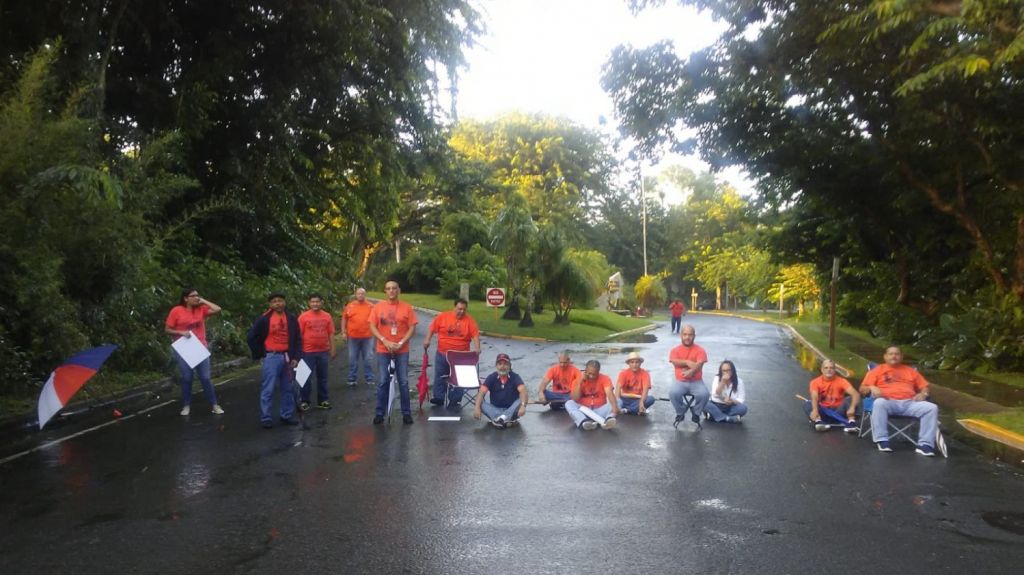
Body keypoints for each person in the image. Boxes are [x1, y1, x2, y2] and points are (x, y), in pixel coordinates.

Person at [859, 346, 939, 456]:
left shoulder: (911, 371)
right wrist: (872, 388)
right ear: (885, 356)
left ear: (901, 357)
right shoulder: (877, 370)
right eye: (891, 354)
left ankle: (925, 445)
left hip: (910, 403)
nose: (894, 356)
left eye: (897, 354)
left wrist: (923, 394)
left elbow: (925, 387)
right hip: (888, 402)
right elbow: (862, 389)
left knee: (931, 408)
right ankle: (882, 440)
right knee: (878, 403)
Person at [164, 288, 225, 416]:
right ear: (186, 298)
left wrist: (202, 300)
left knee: (205, 378)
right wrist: (181, 332)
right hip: (184, 348)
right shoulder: (177, 311)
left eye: (198, 295)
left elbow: (217, 309)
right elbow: (167, 329)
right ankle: (186, 406)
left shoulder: (201, 309)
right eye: (193, 296)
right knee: (187, 378)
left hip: (200, 346)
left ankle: (214, 404)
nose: (196, 297)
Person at [246, 292, 303, 428]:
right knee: (268, 388)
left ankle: (286, 415)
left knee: (287, 388)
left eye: (280, 301)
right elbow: (252, 337)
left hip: (287, 356)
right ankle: (266, 417)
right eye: (274, 301)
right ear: (270, 304)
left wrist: (296, 357)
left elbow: (297, 339)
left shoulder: (291, 318)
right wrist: (261, 353)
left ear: (285, 302)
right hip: (271, 356)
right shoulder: (264, 319)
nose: (278, 303)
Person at [368, 280, 418, 425]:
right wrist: (384, 340)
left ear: (398, 290)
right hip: (383, 349)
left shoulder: (407, 308)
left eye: (394, 288)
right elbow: (372, 326)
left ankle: (406, 413)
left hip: (402, 350)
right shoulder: (378, 308)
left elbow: (412, 328)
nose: (391, 291)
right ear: (385, 291)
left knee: (403, 381)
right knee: (383, 381)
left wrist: (401, 343)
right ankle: (379, 413)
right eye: (388, 288)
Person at [423, 298, 481, 407]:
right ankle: (439, 397)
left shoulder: (469, 321)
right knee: (440, 375)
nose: (461, 312)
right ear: (454, 307)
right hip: (443, 352)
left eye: (464, 309)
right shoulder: (443, 317)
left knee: (459, 377)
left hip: (460, 356)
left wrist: (477, 347)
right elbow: (432, 328)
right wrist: (427, 339)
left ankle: (455, 399)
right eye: (459, 309)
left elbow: (475, 335)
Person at [297, 293, 336, 410]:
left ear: (321, 303)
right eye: (313, 302)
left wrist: (333, 349)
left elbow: (331, 333)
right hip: (306, 352)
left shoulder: (327, 316)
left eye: (317, 301)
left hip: (323, 351)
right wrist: (297, 353)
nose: (315, 304)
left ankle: (323, 400)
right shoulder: (303, 317)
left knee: (322, 377)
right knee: (305, 378)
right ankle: (305, 401)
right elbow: (298, 336)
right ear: (309, 303)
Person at [668, 324, 710, 429]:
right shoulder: (675, 350)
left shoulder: (700, 350)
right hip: (680, 381)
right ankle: (681, 412)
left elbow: (699, 365)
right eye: (685, 334)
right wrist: (687, 362)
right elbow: (674, 362)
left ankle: (696, 413)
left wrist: (691, 372)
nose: (687, 337)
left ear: (694, 336)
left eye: (690, 335)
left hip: (696, 381)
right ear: (681, 335)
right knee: (673, 393)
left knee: (704, 394)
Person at [803, 359, 860, 432]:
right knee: (807, 403)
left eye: (831, 368)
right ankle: (818, 422)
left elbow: (856, 394)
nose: (829, 370)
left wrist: (852, 408)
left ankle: (851, 423)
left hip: (839, 412)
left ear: (835, 370)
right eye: (826, 368)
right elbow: (814, 396)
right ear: (822, 370)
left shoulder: (842, 381)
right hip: (823, 413)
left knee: (850, 399)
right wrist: (815, 410)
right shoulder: (815, 382)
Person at [474, 353, 527, 429]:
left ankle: (499, 419)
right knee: (479, 403)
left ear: (509, 366)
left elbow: (523, 391)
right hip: (495, 409)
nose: (502, 366)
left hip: (511, 409)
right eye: (500, 364)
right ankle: (505, 419)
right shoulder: (491, 377)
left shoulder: (515, 377)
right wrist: (476, 408)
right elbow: (481, 393)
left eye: (505, 364)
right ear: (496, 366)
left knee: (521, 400)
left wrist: (523, 406)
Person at [565, 360, 620, 430]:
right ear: (585, 370)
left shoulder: (605, 378)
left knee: (618, 401)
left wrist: (614, 408)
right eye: (589, 373)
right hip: (584, 412)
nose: (591, 376)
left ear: (598, 372)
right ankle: (583, 421)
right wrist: (580, 382)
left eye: (594, 374)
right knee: (569, 403)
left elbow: (609, 393)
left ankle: (608, 420)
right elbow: (575, 398)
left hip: (599, 411)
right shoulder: (577, 380)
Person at [341, 288, 375, 386]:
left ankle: (369, 378)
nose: (360, 295)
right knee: (352, 358)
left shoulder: (371, 306)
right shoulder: (350, 306)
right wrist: (343, 332)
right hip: (353, 337)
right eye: (359, 294)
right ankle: (352, 378)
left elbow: (376, 320)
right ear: (355, 295)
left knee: (368, 358)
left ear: (365, 295)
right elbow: (344, 319)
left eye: (362, 294)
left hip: (368, 336)